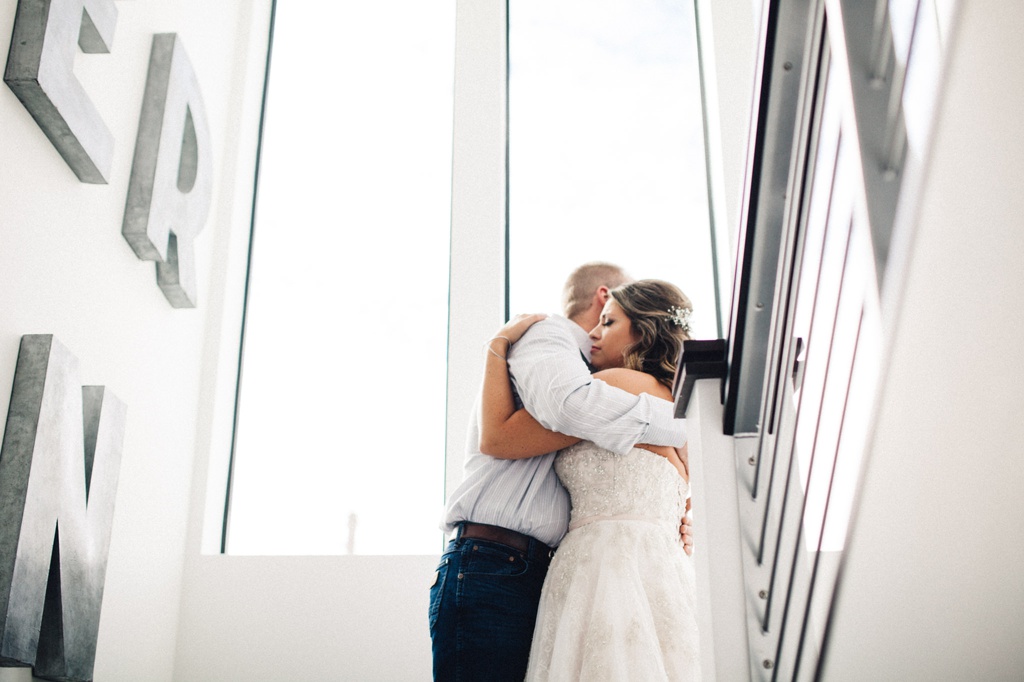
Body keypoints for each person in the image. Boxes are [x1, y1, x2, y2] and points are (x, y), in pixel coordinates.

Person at [430, 263, 691, 682]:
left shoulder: (608, 384)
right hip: (656, 573)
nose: (595, 334)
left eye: (610, 324)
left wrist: (495, 349)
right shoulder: (677, 403)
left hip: (596, 568)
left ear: (639, 330)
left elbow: (501, 437)